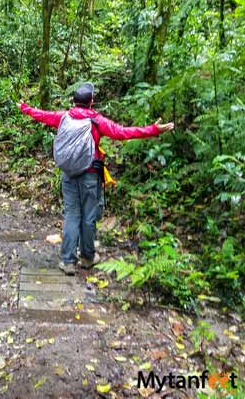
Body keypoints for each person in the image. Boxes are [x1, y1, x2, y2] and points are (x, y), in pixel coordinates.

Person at [18, 83, 174, 275]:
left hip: (69, 174)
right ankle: (87, 257)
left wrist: (25, 108)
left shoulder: (63, 117)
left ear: (73, 101)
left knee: (72, 215)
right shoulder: (96, 121)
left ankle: (67, 261)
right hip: (90, 175)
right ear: (91, 102)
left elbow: (42, 115)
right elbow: (122, 133)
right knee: (89, 217)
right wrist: (153, 129)